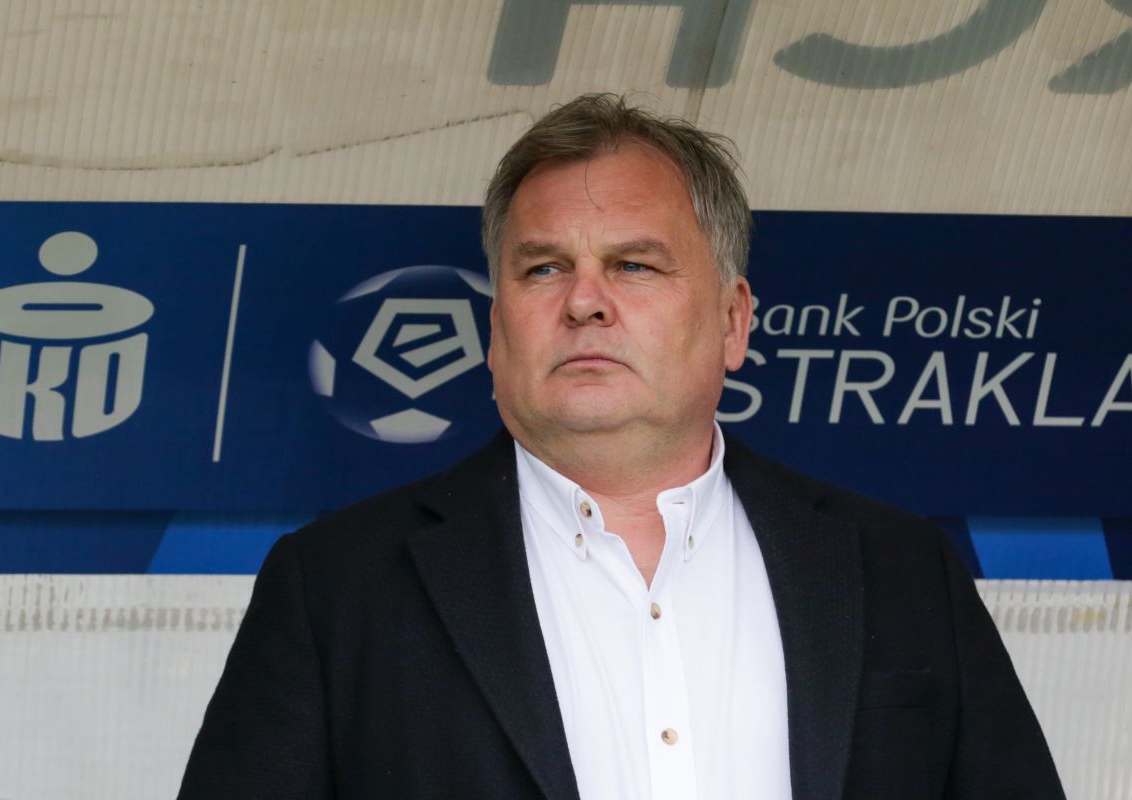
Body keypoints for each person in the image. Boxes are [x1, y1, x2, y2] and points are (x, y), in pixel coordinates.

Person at [178, 94, 1065, 799]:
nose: (584, 301)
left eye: (634, 264)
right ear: (495, 330)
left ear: (733, 321)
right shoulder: (334, 589)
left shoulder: (903, 568)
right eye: (543, 267)